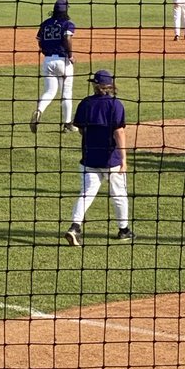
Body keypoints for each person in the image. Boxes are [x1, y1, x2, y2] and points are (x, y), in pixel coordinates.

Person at [64, 70, 133, 247]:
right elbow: (119, 132)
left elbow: (81, 129)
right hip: (111, 160)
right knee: (119, 194)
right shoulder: (115, 104)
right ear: (110, 86)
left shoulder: (85, 103)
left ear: (95, 85)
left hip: (89, 158)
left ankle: (75, 227)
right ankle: (124, 230)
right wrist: (124, 159)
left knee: (86, 193)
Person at [30, 0, 76, 134]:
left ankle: (39, 110)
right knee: (66, 93)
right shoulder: (67, 24)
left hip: (48, 61)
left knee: (49, 91)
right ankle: (67, 124)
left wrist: (45, 50)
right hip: (63, 61)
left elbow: (39, 41)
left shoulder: (45, 23)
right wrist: (70, 55)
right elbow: (67, 38)